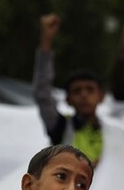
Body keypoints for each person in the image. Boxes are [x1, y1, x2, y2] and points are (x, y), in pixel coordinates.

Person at [32, 14, 105, 165]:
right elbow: (42, 94)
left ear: (101, 96)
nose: (84, 95)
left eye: (90, 90)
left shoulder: (113, 131)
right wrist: (46, 40)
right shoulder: (61, 126)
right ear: (68, 100)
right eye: (77, 91)